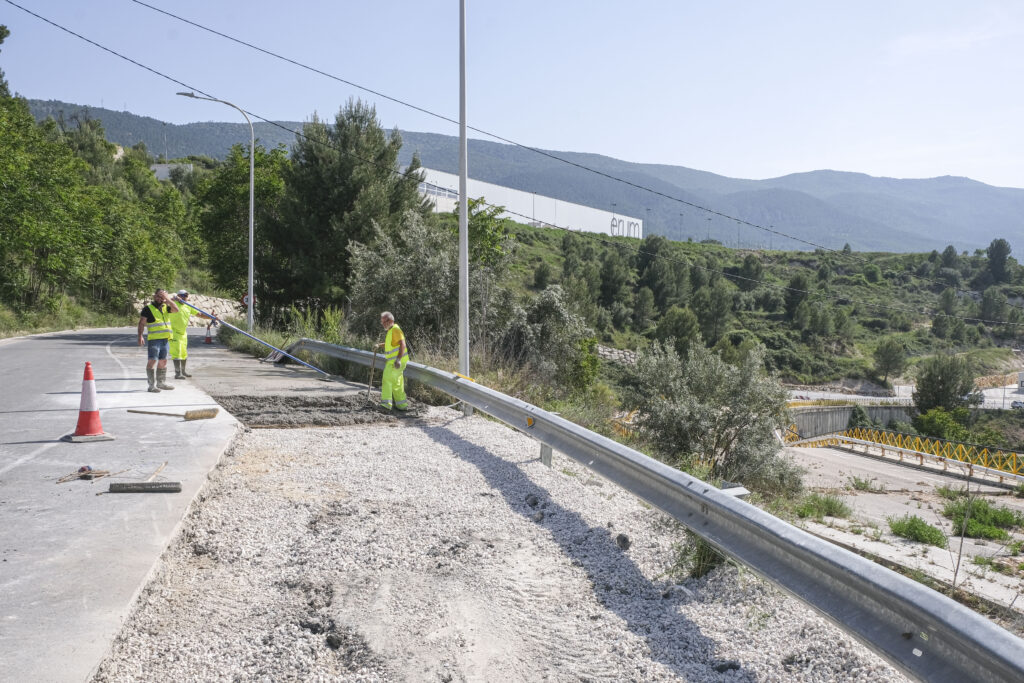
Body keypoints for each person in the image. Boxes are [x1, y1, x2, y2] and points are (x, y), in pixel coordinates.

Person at [137, 289, 179, 392]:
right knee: (152, 360)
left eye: (162, 296)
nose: (159, 298)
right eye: (158, 296)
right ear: (154, 296)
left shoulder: (166, 307)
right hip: (154, 340)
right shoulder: (148, 309)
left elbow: (176, 309)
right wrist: (140, 336)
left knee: (163, 361)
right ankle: (151, 385)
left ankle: (161, 383)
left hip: (165, 339)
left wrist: (168, 299)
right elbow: (142, 323)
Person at [168, 290, 211, 379]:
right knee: (176, 353)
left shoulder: (188, 306)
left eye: (186, 296)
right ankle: (177, 373)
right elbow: (164, 301)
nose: (184, 298)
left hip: (183, 333)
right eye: (182, 296)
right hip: (174, 332)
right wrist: (173, 298)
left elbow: (200, 314)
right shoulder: (172, 305)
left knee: (184, 353)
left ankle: (183, 371)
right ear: (178, 296)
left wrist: (211, 317)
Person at [374, 311, 410, 411]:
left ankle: (386, 405)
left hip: (395, 362)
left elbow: (402, 344)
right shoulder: (391, 331)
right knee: (397, 383)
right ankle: (401, 405)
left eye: (384, 322)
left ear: (390, 321)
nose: (382, 324)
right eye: (381, 322)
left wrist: (398, 360)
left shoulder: (395, 330)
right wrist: (380, 345)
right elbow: (392, 344)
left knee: (387, 380)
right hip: (397, 361)